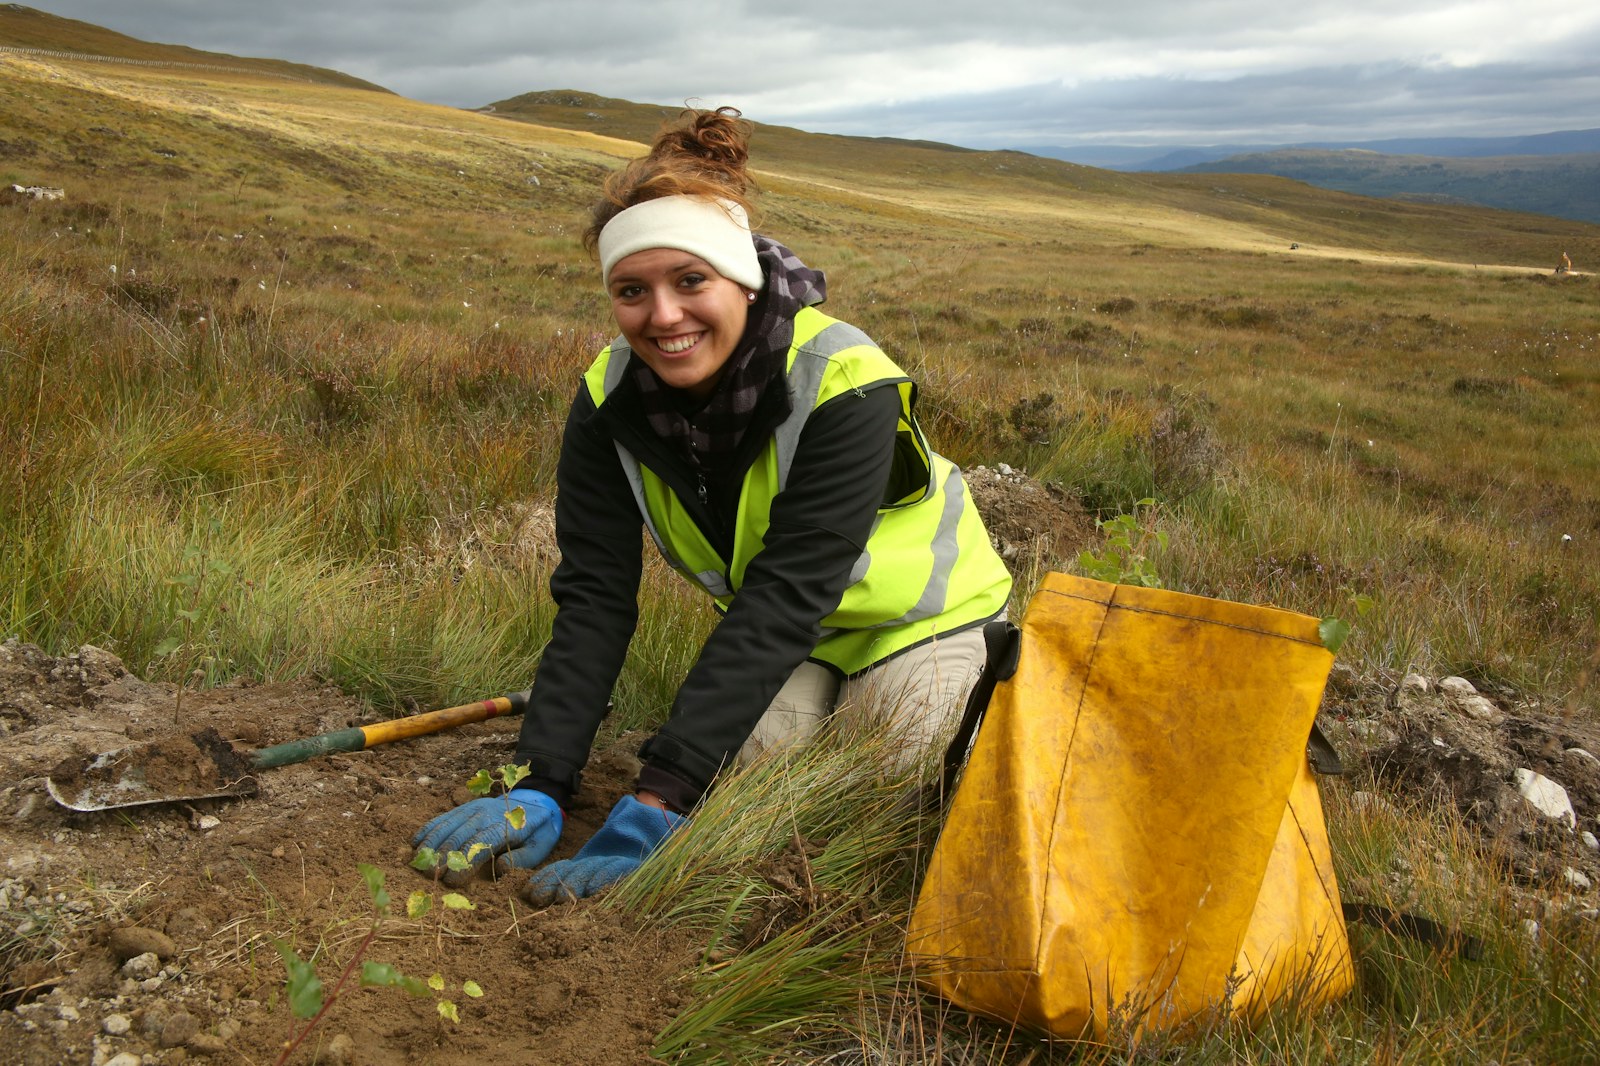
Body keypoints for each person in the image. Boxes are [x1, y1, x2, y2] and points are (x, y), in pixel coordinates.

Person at [414, 107, 1012, 905]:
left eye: (690, 280)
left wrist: (657, 800)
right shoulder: (606, 398)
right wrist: (540, 779)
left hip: (922, 623)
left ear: (743, 278)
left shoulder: (846, 379)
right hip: (797, 644)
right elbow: (594, 597)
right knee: (742, 804)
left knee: (874, 795)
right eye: (633, 291)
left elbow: (787, 591)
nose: (663, 317)